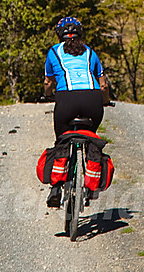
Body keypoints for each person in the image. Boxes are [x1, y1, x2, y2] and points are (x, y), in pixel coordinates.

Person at [43, 16, 111, 207]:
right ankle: (91, 184)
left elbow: (49, 82)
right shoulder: (90, 53)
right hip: (92, 99)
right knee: (91, 137)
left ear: (59, 35)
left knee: (62, 139)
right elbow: (103, 85)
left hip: (66, 100)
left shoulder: (53, 52)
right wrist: (105, 102)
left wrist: (49, 95)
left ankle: (56, 188)